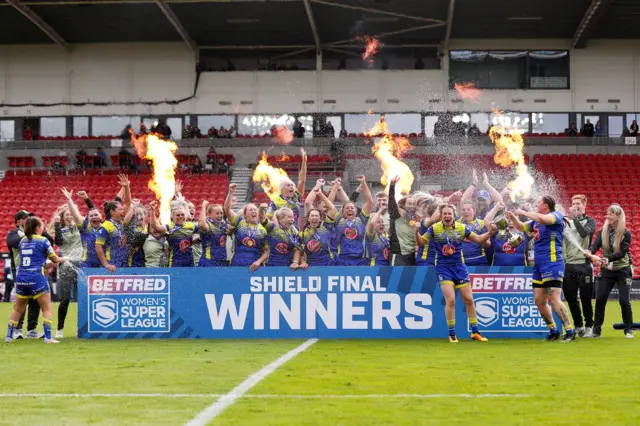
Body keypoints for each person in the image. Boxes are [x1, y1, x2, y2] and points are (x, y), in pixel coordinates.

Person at [415, 204, 497, 343]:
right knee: (451, 300)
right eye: (445, 214)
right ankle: (452, 334)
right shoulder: (434, 228)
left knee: (469, 300)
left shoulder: (461, 228)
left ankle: (475, 332)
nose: (447, 216)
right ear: (441, 215)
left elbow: (478, 240)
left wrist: (490, 233)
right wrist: (416, 232)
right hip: (443, 267)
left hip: (460, 267)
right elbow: (421, 242)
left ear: (454, 215)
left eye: (450, 214)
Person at [507, 195, 576, 342]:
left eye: (539, 202)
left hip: (552, 262)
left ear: (546, 205)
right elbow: (521, 227)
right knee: (539, 300)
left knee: (554, 298)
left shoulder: (555, 216)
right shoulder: (536, 222)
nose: (537, 204)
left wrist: (524, 212)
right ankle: (553, 330)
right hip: (538, 265)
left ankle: (569, 331)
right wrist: (513, 218)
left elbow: (544, 219)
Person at [6, 217, 67, 344]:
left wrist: (44, 263)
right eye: (42, 225)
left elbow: (33, 258)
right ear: (37, 228)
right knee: (46, 309)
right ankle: (48, 338)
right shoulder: (43, 240)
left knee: (17, 309)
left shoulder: (22, 240)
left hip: (22, 278)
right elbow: (55, 259)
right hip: (36, 278)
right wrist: (64, 258)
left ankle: (8, 336)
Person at [583, 204, 634, 338]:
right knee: (600, 299)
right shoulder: (603, 231)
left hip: (623, 270)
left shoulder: (626, 233)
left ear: (618, 216)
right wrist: (590, 251)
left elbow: (622, 253)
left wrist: (607, 259)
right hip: (607, 271)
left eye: (611, 214)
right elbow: (596, 245)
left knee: (624, 300)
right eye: (608, 213)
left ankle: (628, 329)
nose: (608, 216)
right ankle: (596, 331)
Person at [562, 194, 596, 336]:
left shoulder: (590, 221)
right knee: (570, 298)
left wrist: (575, 218)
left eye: (578, 204)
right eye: (573, 203)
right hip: (569, 264)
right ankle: (578, 326)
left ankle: (589, 326)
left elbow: (583, 234)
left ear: (584, 205)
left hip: (584, 265)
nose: (575, 206)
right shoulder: (567, 222)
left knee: (586, 298)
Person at [55, 189, 85, 339]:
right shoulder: (60, 229)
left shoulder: (80, 226)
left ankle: (81, 329)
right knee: (65, 299)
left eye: (71, 214)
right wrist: (55, 226)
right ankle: (60, 328)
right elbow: (58, 242)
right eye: (66, 214)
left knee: (82, 298)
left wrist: (70, 200)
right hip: (66, 265)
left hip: (80, 264)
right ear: (63, 217)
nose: (69, 216)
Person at [225, 184, 269, 271]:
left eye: (255, 209)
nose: (253, 211)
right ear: (245, 214)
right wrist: (231, 192)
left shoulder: (263, 229)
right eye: (250, 210)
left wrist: (259, 262)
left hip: (255, 266)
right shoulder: (240, 222)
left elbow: (267, 251)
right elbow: (227, 209)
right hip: (236, 264)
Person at [333, 175, 373, 266]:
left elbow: (370, 202)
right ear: (342, 211)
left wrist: (363, 183)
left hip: (359, 260)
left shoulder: (361, 220)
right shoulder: (339, 221)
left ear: (356, 211)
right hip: (342, 260)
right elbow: (330, 205)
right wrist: (337, 188)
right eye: (347, 208)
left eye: (352, 208)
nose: (350, 209)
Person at [95, 175, 132, 273]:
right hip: (112, 264)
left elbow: (128, 203)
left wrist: (126, 187)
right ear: (112, 212)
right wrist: (106, 264)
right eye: (120, 209)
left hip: (123, 263)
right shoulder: (105, 227)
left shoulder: (120, 222)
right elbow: (98, 246)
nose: (123, 211)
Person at [149, 203, 198, 268]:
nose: (180, 217)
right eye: (178, 215)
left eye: (182, 215)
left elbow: (204, 230)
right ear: (173, 217)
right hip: (175, 262)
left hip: (190, 262)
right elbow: (155, 226)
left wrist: (197, 237)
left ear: (186, 216)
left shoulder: (191, 225)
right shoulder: (170, 227)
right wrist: (152, 211)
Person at [267, 148, 307, 223]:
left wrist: (304, 162)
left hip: (297, 230)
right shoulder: (275, 201)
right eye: (288, 185)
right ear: (281, 189)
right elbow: (268, 217)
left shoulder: (296, 196)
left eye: (292, 185)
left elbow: (302, 180)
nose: (291, 187)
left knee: (304, 206)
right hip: (283, 231)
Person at [301, 183, 338, 266]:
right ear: (308, 218)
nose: (314, 218)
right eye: (312, 216)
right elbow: (307, 203)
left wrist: (320, 194)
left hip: (328, 262)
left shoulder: (326, 226)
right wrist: (317, 186)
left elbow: (332, 209)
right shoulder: (304, 231)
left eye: (316, 216)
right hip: (312, 263)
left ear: (320, 218)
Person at [485, 202, 528, 266]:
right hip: (498, 270)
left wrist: (529, 209)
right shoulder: (498, 228)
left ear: (518, 217)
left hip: (520, 270)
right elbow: (487, 221)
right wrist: (496, 207)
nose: (511, 218)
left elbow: (538, 223)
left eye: (514, 215)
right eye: (508, 215)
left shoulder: (524, 230)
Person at [387, 177, 418, 266]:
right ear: (403, 205)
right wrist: (392, 186)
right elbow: (391, 201)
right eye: (409, 204)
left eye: (413, 204)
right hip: (398, 255)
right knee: (395, 278)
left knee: (408, 279)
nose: (412, 206)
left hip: (412, 255)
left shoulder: (415, 218)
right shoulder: (396, 214)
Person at [457, 200, 490, 266]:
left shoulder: (481, 223)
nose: (466, 212)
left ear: (474, 211)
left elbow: (488, 244)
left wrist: (482, 240)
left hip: (479, 260)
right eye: (463, 210)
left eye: (468, 209)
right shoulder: (456, 223)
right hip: (461, 262)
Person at [198, 201, 229, 267]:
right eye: (217, 213)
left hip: (222, 261)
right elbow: (201, 225)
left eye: (221, 213)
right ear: (209, 214)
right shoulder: (209, 225)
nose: (220, 215)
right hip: (209, 261)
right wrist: (203, 207)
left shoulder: (223, 225)